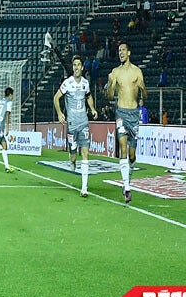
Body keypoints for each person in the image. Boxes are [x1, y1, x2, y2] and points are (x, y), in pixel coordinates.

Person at [107, 41, 147, 203]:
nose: (121, 52)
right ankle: (127, 188)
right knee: (123, 147)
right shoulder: (115, 72)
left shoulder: (137, 72)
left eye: (123, 50)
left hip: (134, 114)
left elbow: (145, 95)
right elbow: (110, 97)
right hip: (121, 113)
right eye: (119, 50)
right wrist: (110, 84)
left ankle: (127, 181)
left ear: (129, 53)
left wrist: (142, 87)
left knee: (132, 155)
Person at [54, 55, 98, 197]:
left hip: (84, 123)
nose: (76, 67)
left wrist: (92, 109)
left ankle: (84, 188)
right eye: (74, 65)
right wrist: (60, 113)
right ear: (73, 67)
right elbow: (56, 98)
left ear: (82, 67)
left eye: (78, 65)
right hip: (72, 124)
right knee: (74, 155)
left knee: (85, 154)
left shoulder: (85, 83)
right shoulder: (68, 83)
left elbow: (89, 95)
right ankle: (72, 157)